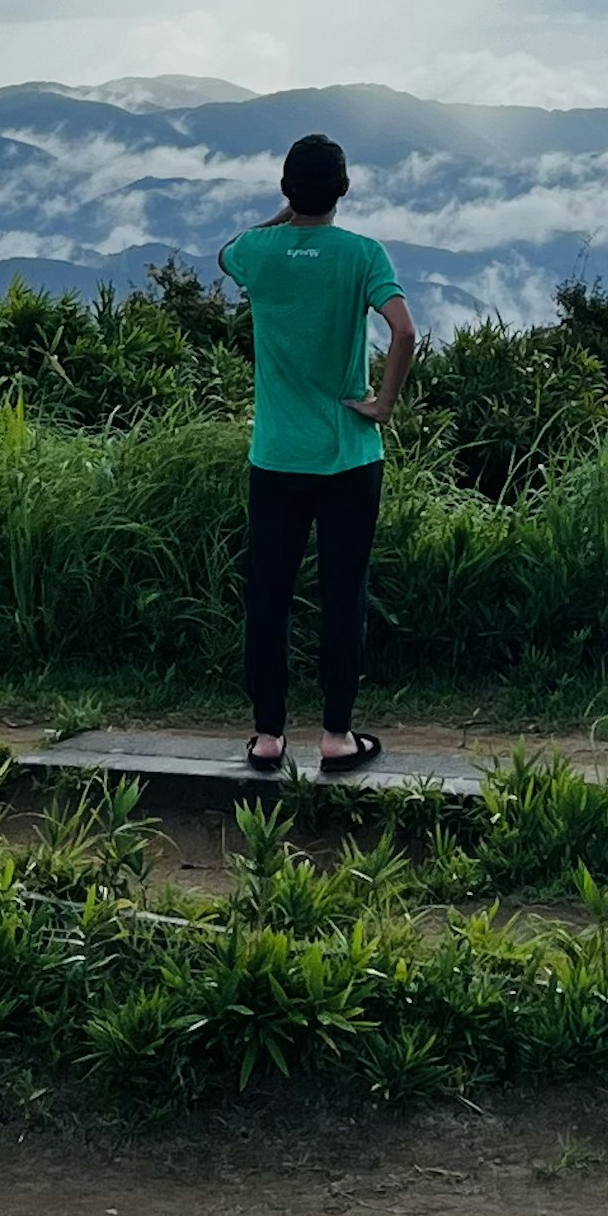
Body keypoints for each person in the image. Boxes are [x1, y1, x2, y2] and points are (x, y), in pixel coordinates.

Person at [218, 131, 416, 777]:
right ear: (345, 189)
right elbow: (404, 330)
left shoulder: (258, 252)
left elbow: (229, 252)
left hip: (275, 455)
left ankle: (268, 736)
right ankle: (337, 737)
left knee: (269, 596)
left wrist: (285, 221)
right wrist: (382, 404)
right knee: (343, 593)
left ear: (284, 189)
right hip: (348, 456)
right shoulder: (362, 254)